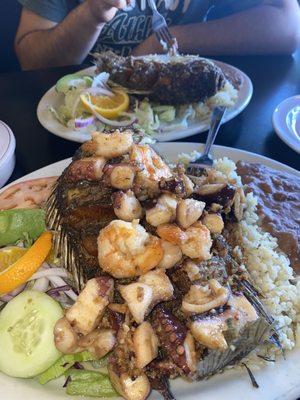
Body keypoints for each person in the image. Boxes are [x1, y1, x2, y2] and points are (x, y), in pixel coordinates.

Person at [15, 0, 300, 70]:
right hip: (82, 115)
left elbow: (288, 26)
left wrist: (169, 40)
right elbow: (32, 60)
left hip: (182, 120)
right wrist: (92, 13)